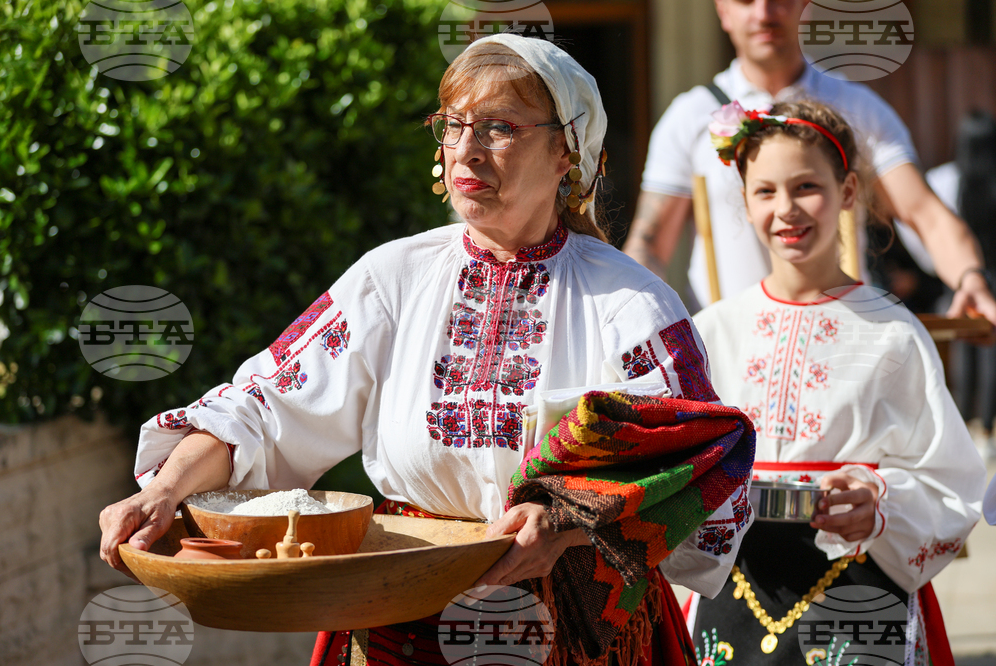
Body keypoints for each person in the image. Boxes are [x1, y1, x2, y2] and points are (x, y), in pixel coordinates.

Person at [98, 34, 756, 666]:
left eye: (501, 128)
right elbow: (263, 408)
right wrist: (164, 490)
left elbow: (702, 463)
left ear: (567, 154)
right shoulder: (391, 278)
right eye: (453, 124)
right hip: (400, 620)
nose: (466, 151)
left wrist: (564, 522)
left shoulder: (631, 303)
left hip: (571, 632)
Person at [690, 98, 985, 664]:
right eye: (766, 191)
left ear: (848, 192)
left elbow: (952, 483)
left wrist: (879, 503)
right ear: (745, 201)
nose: (787, 210)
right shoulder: (714, 331)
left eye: (807, 187)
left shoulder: (894, 333)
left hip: (859, 594)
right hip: (735, 594)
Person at [624, 0, 996, 327]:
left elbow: (925, 213)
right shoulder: (689, 116)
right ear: (723, 11)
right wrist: (630, 314)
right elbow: (651, 244)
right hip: (728, 359)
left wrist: (971, 278)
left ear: (806, 5)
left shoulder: (858, 107)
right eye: (745, 0)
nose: (764, 12)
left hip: (844, 345)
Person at [925, 111, 996, 459]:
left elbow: (922, 237)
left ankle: (963, 429)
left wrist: (945, 271)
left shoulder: (941, 180)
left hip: (955, 283)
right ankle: (988, 429)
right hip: (991, 286)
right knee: (990, 356)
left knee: (960, 358)